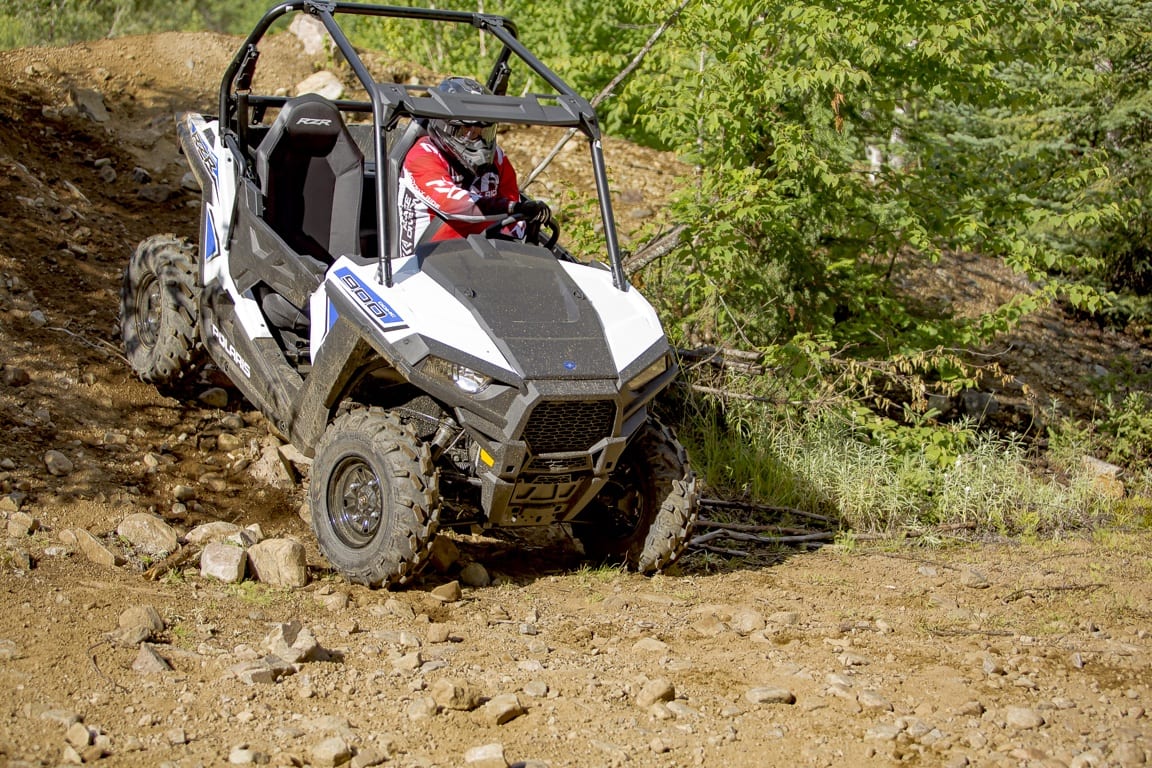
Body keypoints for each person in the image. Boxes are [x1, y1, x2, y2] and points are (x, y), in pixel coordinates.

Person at [398, 76, 551, 259]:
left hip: (482, 258)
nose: (477, 142)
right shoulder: (423, 156)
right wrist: (511, 207)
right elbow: (454, 204)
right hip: (424, 263)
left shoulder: (498, 159)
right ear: (446, 127)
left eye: (482, 132)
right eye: (467, 132)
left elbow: (514, 218)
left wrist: (527, 220)